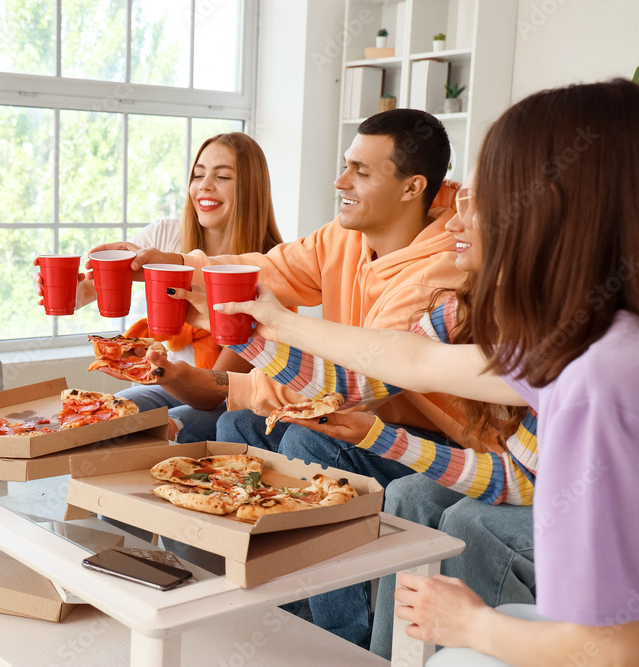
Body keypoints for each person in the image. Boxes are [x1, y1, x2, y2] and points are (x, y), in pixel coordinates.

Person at [209, 79, 639, 664]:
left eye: (483, 200)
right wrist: (268, 327)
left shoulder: (598, 373)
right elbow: (405, 360)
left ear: (550, 214)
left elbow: (613, 649)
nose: (455, 221)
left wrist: (469, 624)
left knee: (461, 537)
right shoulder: (571, 338)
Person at [91, 109, 483, 646]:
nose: (340, 181)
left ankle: (338, 641)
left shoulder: (439, 272)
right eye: (345, 166)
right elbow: (264, 273)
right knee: (238, 432)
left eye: (361, 173)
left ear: (413, 186)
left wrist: (235, 385)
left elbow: (356, 383)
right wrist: (171, 266)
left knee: (302, 437)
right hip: (349, 405)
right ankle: (277, 608)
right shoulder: (344, 237)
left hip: (421, 432)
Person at [176, 168, 537, 660]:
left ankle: (360, 646)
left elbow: (409, 363)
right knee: (254, 430)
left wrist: (276, 325)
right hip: (516, 470)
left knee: (451, 513)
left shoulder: (559, 341)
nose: (454, 221)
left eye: (474, 207)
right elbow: (352, 383)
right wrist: (246, 338)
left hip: (545, 486)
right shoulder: (458, 308)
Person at [38, 132, 283, 443]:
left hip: (230, 399)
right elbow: (90, 292)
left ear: (251, 190)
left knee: (166, 423)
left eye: (222, 176)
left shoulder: (273, 269)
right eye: (198, 175)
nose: (204, 185)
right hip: (169, 382)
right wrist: (72, 293)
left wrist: (155, 369)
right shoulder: (166, 236)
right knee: (119, 409)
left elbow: (212, 395)